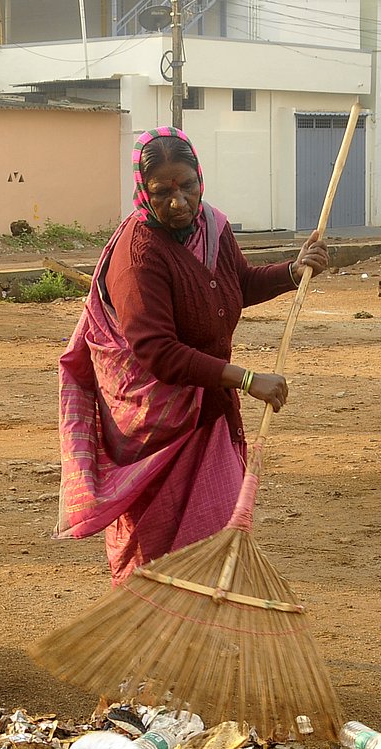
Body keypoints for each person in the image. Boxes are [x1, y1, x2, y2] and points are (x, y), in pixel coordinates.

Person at [56, 126, 329, 584]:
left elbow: (235, 284)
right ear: (144, 192)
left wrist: (292, 270)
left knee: (215, 528)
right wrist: (245, 379)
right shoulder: (138, 254)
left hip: (209, 410)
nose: (178, 201)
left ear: (201, 179)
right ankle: (148, 628)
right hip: (156, 422)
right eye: (163, 192)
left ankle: (198, 631)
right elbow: (156, 353)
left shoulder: (213, 228)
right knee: (156, 549)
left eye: (187, 186)